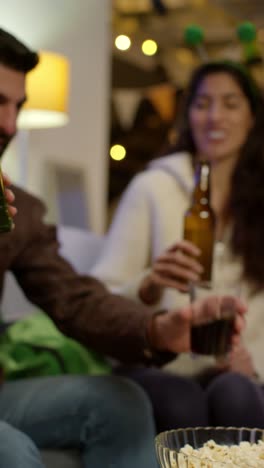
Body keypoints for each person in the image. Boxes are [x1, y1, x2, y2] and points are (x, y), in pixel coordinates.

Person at [0, 29, 247, 467]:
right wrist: (150, 284)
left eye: (18, 107)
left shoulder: (24, 211)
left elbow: (77, 300)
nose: (10, 124)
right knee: (13, 452)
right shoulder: (154, 186)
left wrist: (158, 328)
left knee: (124, 403)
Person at [92, 60, 264, 431]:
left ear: (252, 117)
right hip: (158, 362)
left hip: (233, 369)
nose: (215, 116)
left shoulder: (258, 203)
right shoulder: (152, 187)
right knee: (182, 402)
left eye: (230, 104)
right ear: (188, 115)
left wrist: (256, 364)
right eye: (202, 104)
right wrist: (150, 284)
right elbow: (99, 298)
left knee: (237, 393)